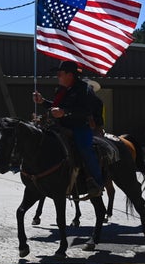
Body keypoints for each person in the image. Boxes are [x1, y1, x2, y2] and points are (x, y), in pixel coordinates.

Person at [32, 61, 103, 197]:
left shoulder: (84, 89)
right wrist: (42, 102)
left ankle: (97, 183)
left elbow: (86, 111)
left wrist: (65, 112)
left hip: (79, 127)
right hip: (60, 127)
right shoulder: (61, 90)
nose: (57, 76)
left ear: (70, 75)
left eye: (60, 74)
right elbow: (55, 108)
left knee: (85, 149)